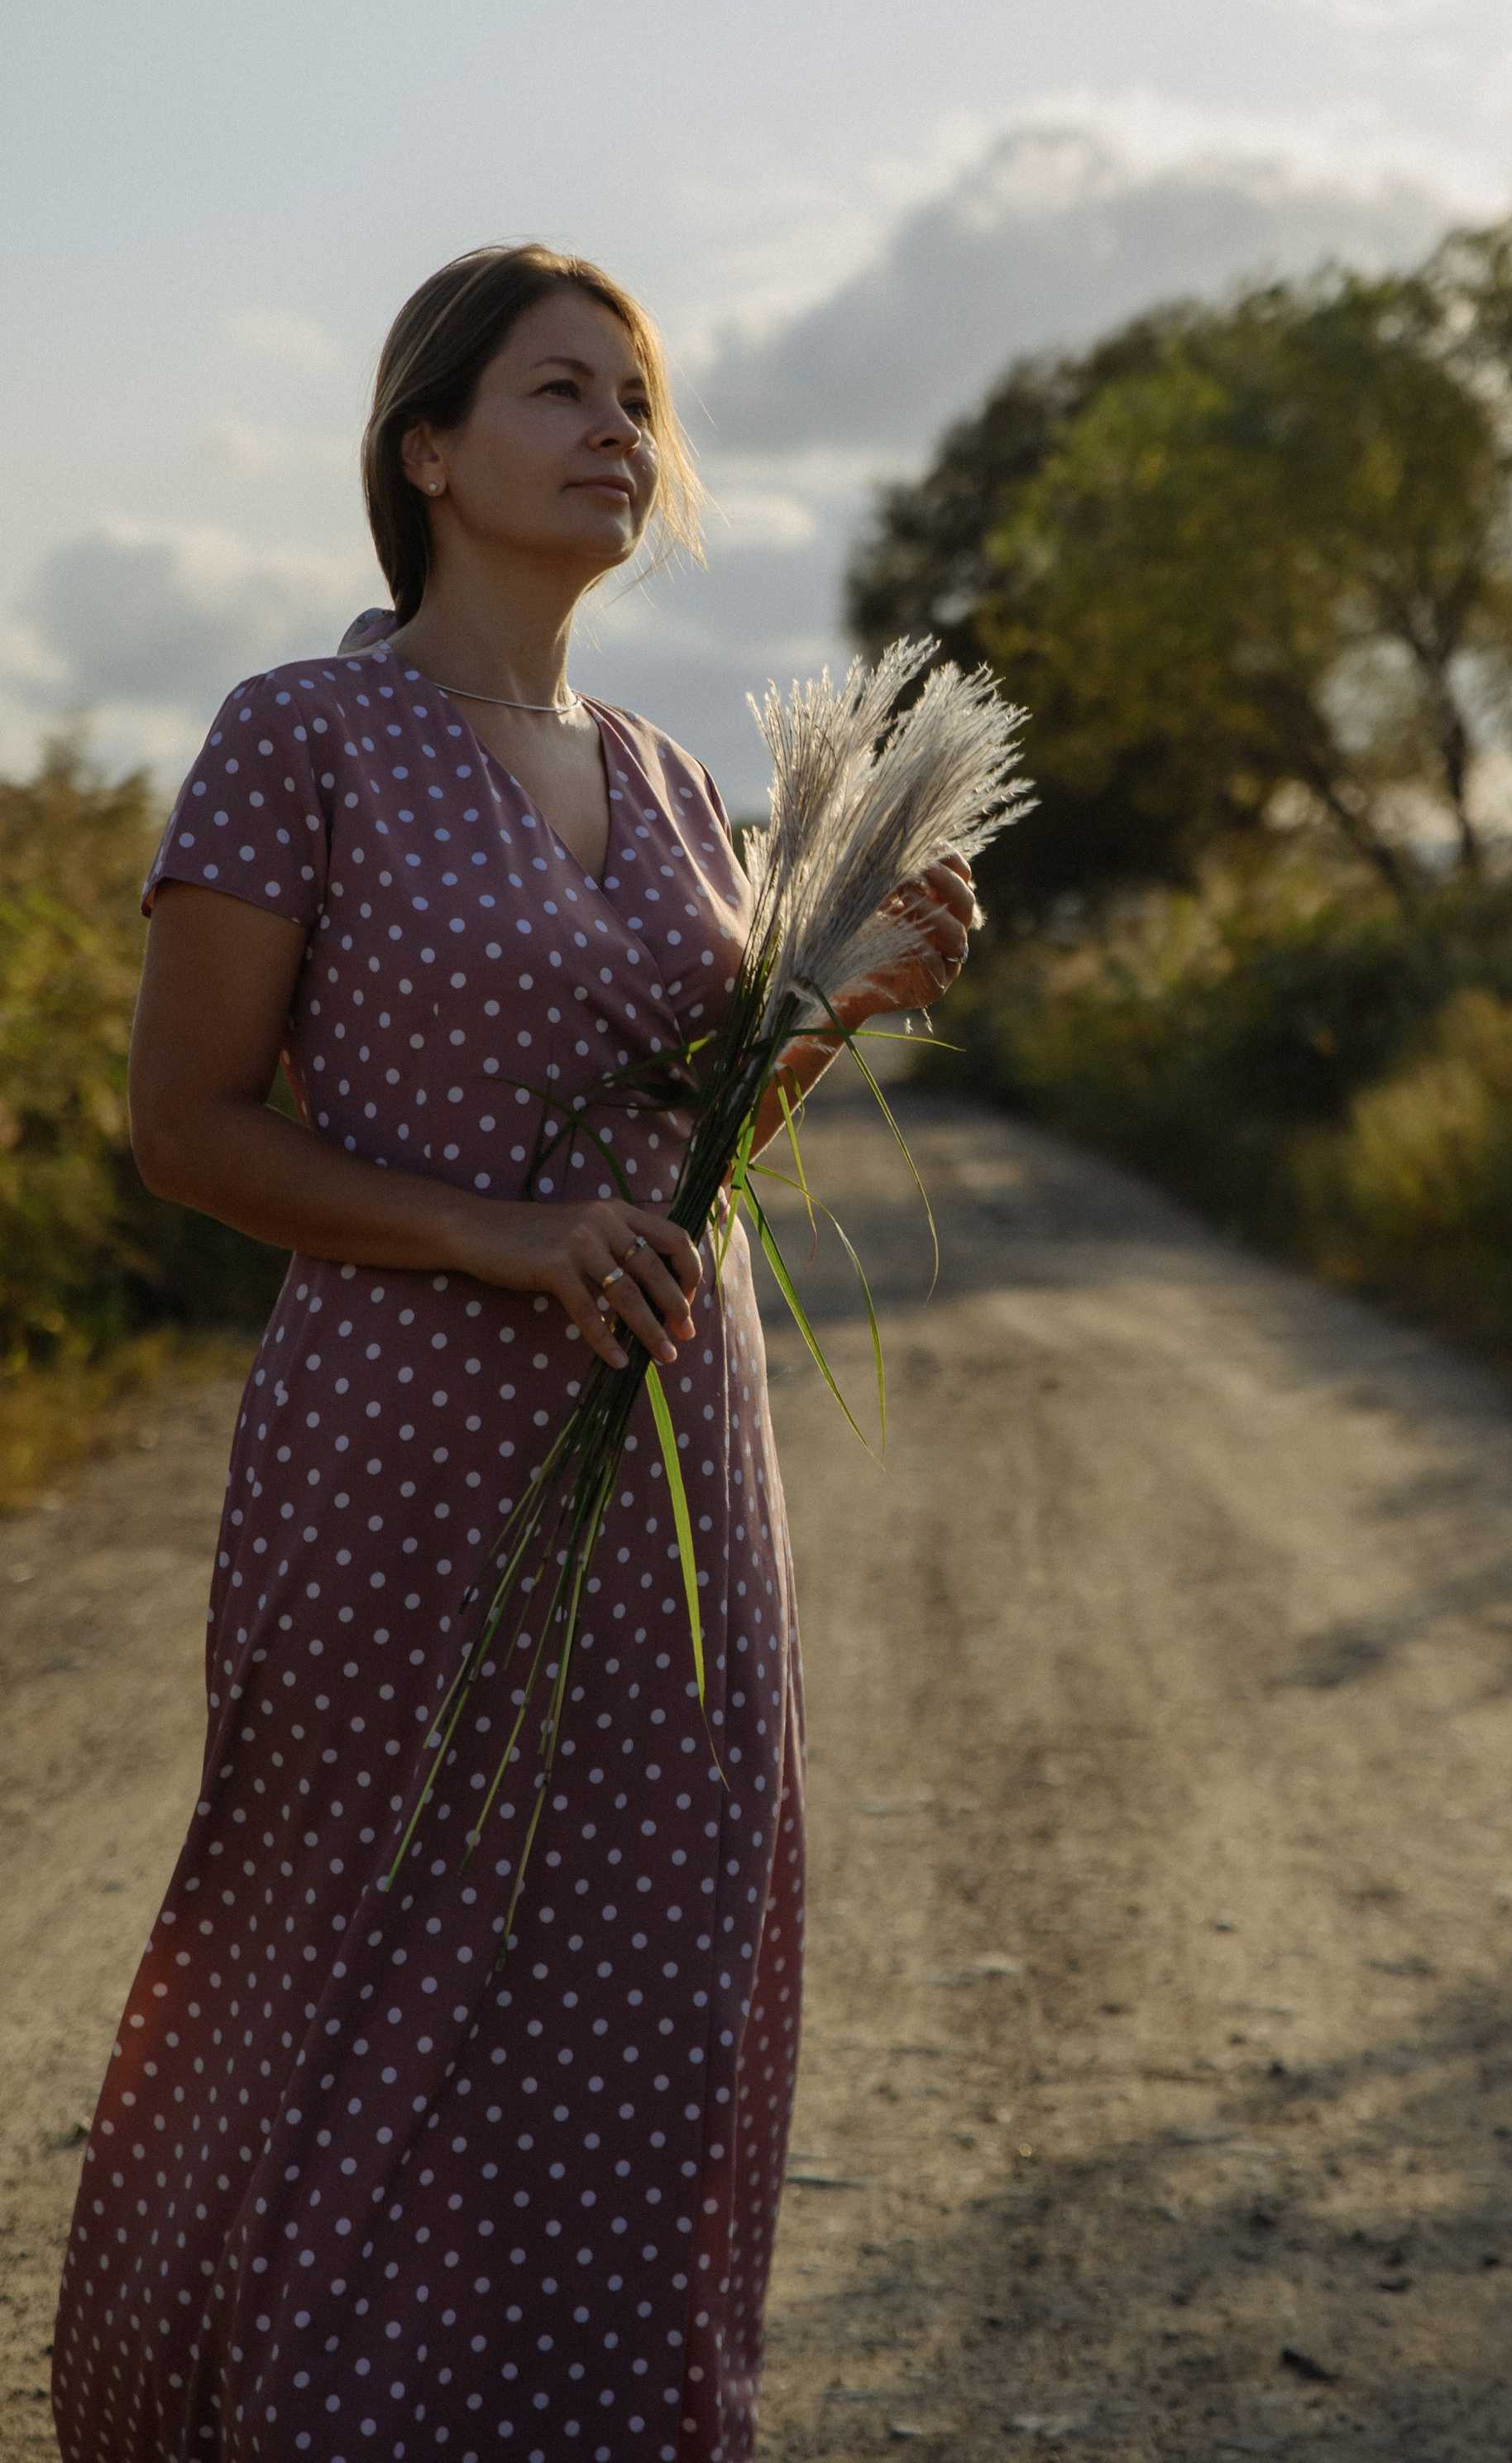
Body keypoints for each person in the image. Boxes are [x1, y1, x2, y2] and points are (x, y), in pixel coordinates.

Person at [51, 244, 975, 2463]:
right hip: (399, 1462)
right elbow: (187, 1131)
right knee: (350, 1982)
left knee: (644, 2003)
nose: (618, 436)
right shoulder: (306, 733)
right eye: (564, 392)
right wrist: (493, 1234)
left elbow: (690, 1164)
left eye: (640, 403)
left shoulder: (669, 784)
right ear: (429, 450)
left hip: (677, 1465)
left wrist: (836, 1006)